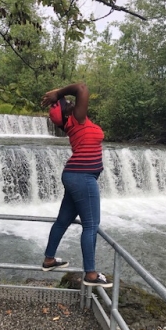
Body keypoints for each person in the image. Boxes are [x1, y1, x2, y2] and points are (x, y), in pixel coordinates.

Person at [40, 82, 112, 288]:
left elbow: (79, 94)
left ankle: (49, 260)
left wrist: (58, 96)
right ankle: (90, 274)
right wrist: (57, 93)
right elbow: (81, 88)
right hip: (82, 177)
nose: (71, 101)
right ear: (67, 113)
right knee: (90, 225)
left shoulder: (76, 121)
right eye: (67, 102)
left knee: (63, 221)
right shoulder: (77, 119)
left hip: (74, 175)